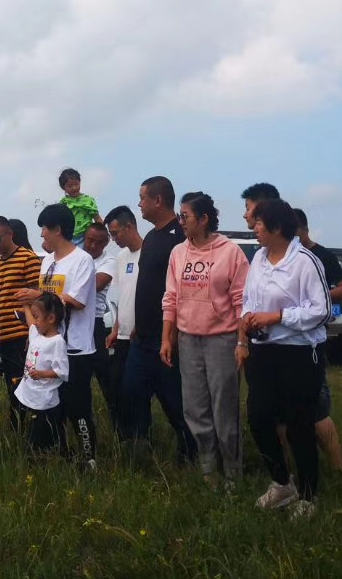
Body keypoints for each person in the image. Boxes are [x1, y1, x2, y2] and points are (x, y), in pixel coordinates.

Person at [240, 198, 330, 517]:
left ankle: (307, 495)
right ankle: (281, 482)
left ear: (277, 227)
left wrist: (276, 317)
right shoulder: (259, 260)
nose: (255, 229)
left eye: (259, 223)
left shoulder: (305, 262)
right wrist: (249, 319)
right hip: (264, 351)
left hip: (300, 354)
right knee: (259, 416)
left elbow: (322, 311)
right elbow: (248, 300)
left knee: (298, 424)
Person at [161, 192, 247, 490]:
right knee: (195, 408)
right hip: (188, 339)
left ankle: (234, 472)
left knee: (224, 408)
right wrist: (167, 338)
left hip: (221, 339)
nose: (180, 222)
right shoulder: (178, 253)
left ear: (204, 219)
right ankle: (209, 470)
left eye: (185, 217)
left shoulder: (230, 252)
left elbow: (241, 303)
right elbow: (170, 298)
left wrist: (241, 342)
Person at [121, 177, 198, 462]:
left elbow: (184, 289)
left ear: (158, 200)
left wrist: (173, 334)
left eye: (142, 197)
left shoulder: (180, 237)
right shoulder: (152, 237)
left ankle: (191, 452)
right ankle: (140, 447)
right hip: (143, 337)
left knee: (174, 399)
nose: (138, 203)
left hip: (168, 338)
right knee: (131, 390)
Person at [21, 203, 98, 467]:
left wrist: (38, 295)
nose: (42, 235)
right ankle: (62, 456)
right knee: (52, 407)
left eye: (44, 229)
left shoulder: (82, 260)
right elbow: (47, 305)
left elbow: (76, 300)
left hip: (76, 348)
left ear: (58, 230)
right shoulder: (47, 263)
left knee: (78, 409)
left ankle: (89, 459)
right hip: (50, 346)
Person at [293, 208, 342, 471]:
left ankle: (338, 469)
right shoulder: (285, 256)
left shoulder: (322, 255)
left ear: (301, 228)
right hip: (286, 341)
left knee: (318, 411)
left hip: (313, 341)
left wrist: (320, 297)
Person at [0, 215, 43, 432]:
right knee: (12, 388)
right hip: (3, 337)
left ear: (10, 234)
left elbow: (39, 299)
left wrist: (33, 334)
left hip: (23, 336)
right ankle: (18, 434)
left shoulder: (28, 258)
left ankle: (33, 435)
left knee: (27, 388)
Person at [103, 205, 142, 435]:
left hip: (144, 335)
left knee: (141, 390)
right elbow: (119, 298)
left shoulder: (150, 252)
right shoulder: (121, 258)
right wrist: (115, 328)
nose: (113, 239)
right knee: (117, 387)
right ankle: (125, 436)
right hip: (123, 336)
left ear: (130, 226)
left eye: (116, 233)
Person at [16, 292, 71, 454]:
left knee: (44, 433)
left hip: (45, 400)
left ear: (51, 318)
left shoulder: (57, 342)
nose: (35, 321)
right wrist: (25, 305)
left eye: (37, 317)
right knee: (32, 432)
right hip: (31, 395)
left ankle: (55, 456)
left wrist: (42, 374)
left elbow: (62, 372)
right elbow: (31, 323)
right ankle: (38, 456)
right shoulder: (36, 335)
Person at [82, 218, 120, 422]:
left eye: (99, 242)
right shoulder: (76, 257)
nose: (93, 246)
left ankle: (118, 425)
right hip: (76, 323)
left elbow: (93, 286)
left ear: (106, 244)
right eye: (89, 240)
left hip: (96, 324)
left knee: (106, 378)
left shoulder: (109, 261)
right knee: (79, 379)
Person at [58, 167, 100, 244]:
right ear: (63, 188)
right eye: (70, 186)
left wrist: (103, 233)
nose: (74, 188)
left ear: (80, 182)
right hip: (68, 238)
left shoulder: (88, 200)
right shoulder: (63, 203)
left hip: (86, 237)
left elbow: (97, 218)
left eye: (76, 184)